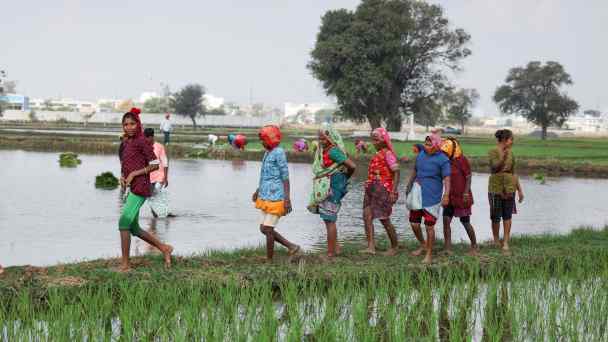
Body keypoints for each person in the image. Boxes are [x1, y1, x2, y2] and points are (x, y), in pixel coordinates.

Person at [118, 108, 173, 272]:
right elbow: (126, 163)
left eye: (132, 124)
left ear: (138, 124)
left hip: (141, 186)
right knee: (133, 228)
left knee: (123, 224)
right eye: (126, 124)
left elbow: (155, 164)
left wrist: (134, 173)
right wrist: (123, 176)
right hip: (131, 187)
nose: (129, 127)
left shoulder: (142, 141)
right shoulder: (126, 142)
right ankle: (164, 248)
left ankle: (126, 265)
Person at [252, 125, 300, 261]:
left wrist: (287, 198)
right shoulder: (267, 152)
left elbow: (285, 176)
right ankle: (292, 246)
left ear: (271, 139)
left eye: (264, 140)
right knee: (263, 228)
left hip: (277, 196)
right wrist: (257, 191)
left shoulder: (279, 152)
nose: (262, 143)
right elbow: (264, 175)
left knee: (267, 229)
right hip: (266, 195)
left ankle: (269, 260)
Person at [308, 124, 356, 259]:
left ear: (331, 138)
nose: (321, 142)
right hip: (327, 185)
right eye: (320, 139)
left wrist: (345, 177)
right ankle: (336, 248)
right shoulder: (323, 151)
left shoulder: (334, 151)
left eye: (324, 139)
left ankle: (330, 253)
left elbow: (352, 166)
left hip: (333, 185)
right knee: (327, 218)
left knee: (330, 219)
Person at [405, 134, 451, 264]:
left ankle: (429, 254)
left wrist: (446, 195)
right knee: (414, 223)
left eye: (430, 143)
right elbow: (415, 170)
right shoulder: (421, 155)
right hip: (417, 192)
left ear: (436, 144)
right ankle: (423, 244)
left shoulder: (443, 159)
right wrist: (409, 184)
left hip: (432, 196)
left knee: (429, 227)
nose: (427, 145)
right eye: (425, 143)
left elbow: (447, 179)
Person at [361, 128, 400, 256]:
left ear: (384, 140)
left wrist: (393, 192)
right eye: (373, 139)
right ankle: (371, 247)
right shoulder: (377, 154)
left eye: (377, 139)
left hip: (383, 190)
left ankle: (394, 247)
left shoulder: (388, 154)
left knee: (384, 219)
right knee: (367, 216)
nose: (374, 141)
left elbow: (396, 172)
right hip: (372, 189)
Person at [440, 137, 478, 256]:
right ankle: (447, 248)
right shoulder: (446, 161)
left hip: (462, 196)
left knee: (465, 222)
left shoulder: (462, 160)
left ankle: (474, 246)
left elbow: (468, 177)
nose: (444, 154)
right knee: (446, 220)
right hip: (449, 196)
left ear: (452, 150)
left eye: (446, 152)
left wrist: (466, 192)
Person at [488, 129, 524, 255]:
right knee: (495, 216)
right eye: (510, 139)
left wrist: (520, 190)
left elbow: (514, 173)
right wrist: (502, 159)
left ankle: (506, 242)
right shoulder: (493, 152)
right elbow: (494, 168)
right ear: (504, 140)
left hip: (509, 187)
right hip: (495, 187)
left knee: (507, 215)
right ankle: (496, 240)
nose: (512, 142)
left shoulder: (511, 154)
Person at [143, 128, 171, 218]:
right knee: (150, 197)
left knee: (154, 194)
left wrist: (166, 178)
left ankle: (162, 213)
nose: (147, 140)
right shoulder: (143, 148)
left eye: (148, 137)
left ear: (152, 137)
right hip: (149, 177)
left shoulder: (159, 147)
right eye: (145, 138)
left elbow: (165, 162)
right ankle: (156, 215)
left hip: (160, 176)